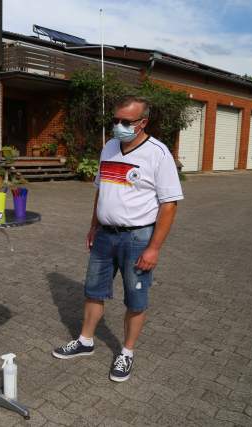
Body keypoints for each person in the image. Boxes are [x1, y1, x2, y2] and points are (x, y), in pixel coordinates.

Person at [52, 96, 183, 382]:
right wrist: (93, 225)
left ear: (143, 122)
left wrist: (154, 248)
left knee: (136, 298)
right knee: (93, 290)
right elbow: (102, 190)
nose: (119, 126)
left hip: (137, 238)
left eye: (126, 122)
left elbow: (170, 204)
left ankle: (126, 352)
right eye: (115, 120)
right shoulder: (110, 147)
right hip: (104, 235)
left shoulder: (158, 153)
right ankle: (85, 341)